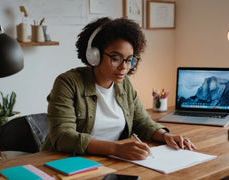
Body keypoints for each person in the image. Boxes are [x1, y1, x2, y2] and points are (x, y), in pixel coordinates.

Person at [40, 17, 196, 160]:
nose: (124, 67)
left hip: (112, 161)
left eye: (129, 60)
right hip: (67, 161)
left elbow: (142, 122)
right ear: (94, 55)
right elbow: (63, 136)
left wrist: (165, 136)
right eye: (116, 58)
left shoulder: (124, 84)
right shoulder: (68, 83)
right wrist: (116, 149)